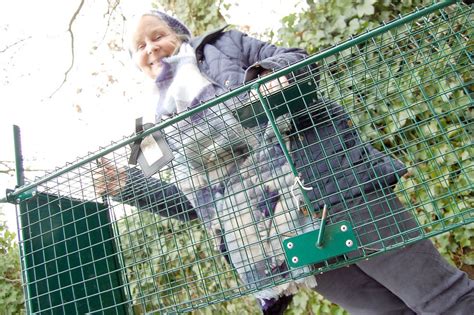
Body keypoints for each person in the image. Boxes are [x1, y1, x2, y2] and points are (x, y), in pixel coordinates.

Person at [95, 10, 474, 314]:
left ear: (178, 34)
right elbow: (196, 205)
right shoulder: (158, 126)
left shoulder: (223, 45)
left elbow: (297, 59)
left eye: (157, 34)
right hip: (277, 239)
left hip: (332, 186)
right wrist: (127, 186)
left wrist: (268, 77)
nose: (151, 47)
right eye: (140, 46)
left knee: (443, 299)